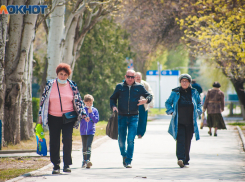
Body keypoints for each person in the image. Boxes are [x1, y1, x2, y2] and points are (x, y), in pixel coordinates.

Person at [38, 63, 89, 174]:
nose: (63, 76)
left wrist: (84, 115)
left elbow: (79, 101)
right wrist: (40, 116)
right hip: (53, 117)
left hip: (68, 118)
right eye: (61, 74)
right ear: (57, 74)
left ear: (68, 76)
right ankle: (56, 165)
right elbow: (43, 102)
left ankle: (67, 165)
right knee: (54, 141)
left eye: (65, 75)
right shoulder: (50, 85)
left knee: (67, 140)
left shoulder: (72, 85)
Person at [110, 70, 153, 168]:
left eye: (132, 77)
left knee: (130, 139)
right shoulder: (119, 87)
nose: (130, 79)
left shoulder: (139, 87)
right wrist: (113, 107)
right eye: (128, 77)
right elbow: (112, 99)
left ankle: (128, 161)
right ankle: (124, 155)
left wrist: (145, 100)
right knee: (121, 140)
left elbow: (149, 96)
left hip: (134, 116)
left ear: (135, 77)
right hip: (121, 116)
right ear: (125, 76)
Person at [165, 73, 202, 168]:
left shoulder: (194, 92)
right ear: (180, 82)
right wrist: (171, 112)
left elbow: (199, 103)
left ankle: (186, 160)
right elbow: (168, 103)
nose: (184, 83)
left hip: (190, 122)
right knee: (180, 140)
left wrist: (198, 111)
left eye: (186, 81)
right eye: (182, 81)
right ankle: (180, 159)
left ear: (189, 82)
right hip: (179, 122)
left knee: (188, 141)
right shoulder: (175, 92)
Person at [80, 94, 99, 169]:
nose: (89, 104)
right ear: (84, 102)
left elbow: (96, 120)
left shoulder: (94, 110)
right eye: (87, 103)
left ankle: (88, 160)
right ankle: (84, 161)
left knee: (88, 146)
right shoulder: (82, 110)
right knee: (84, 146)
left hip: (91, 131)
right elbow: (79, 118)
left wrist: (91, 113)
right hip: (83, 131)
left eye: (90, 103)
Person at [135, 72, 154, 138]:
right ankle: (134, 132)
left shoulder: (145, 84)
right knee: (133, 119)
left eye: (139, 77)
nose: (138, 78)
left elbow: (150, 94)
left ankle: (140, 133)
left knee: (142, 119)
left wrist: (150, 103)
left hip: (143, 104)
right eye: (137, 77)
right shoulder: (131, 84)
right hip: (134, 105)